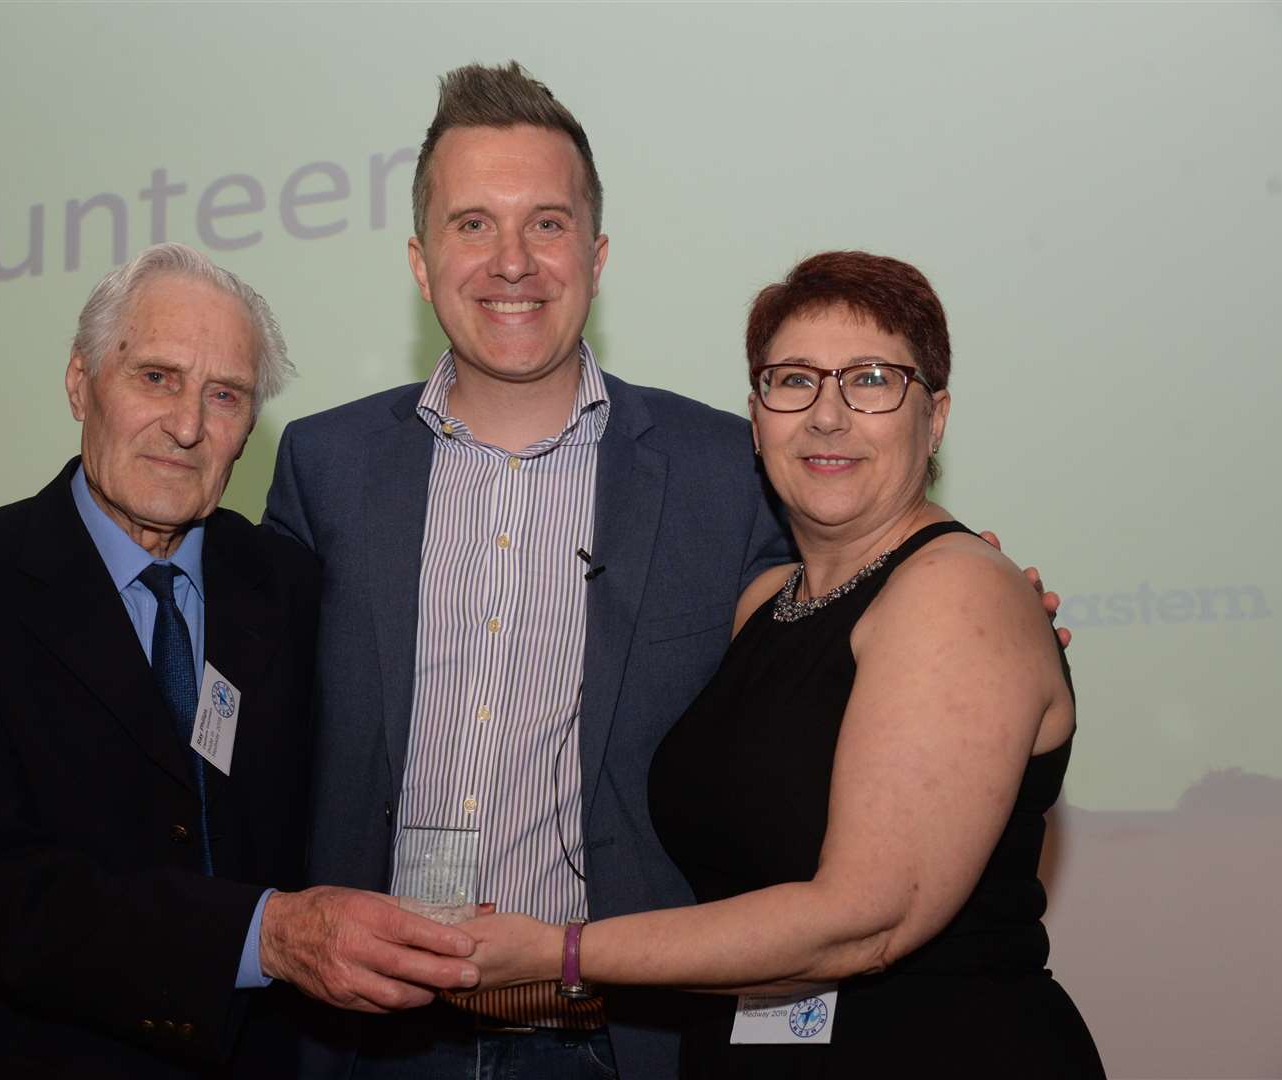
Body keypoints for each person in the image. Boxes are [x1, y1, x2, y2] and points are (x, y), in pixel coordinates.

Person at [263, 66, 1060, 1080]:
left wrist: (984, 610)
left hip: (621, 1043)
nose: (512, 262)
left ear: (596, 257)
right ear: (421, 265)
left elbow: (849, 626)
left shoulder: (727, 468)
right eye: (472, 225)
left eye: (546, 224)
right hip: (370, 1038)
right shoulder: (324, 467)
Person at [459, 251, 1106, 1077]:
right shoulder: (763, 601)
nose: (827, 416)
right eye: (793, 380)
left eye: (871, 380)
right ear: (757, 419)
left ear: (935, 417)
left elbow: (864, 921)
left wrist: (563, 954)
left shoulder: (958, 591)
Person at [0, 243, 478, 1080]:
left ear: (249, 428)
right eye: (156, 377)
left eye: (225, 395)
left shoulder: (290, 589)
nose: (187, 425)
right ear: (80, 383)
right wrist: (267, 937)